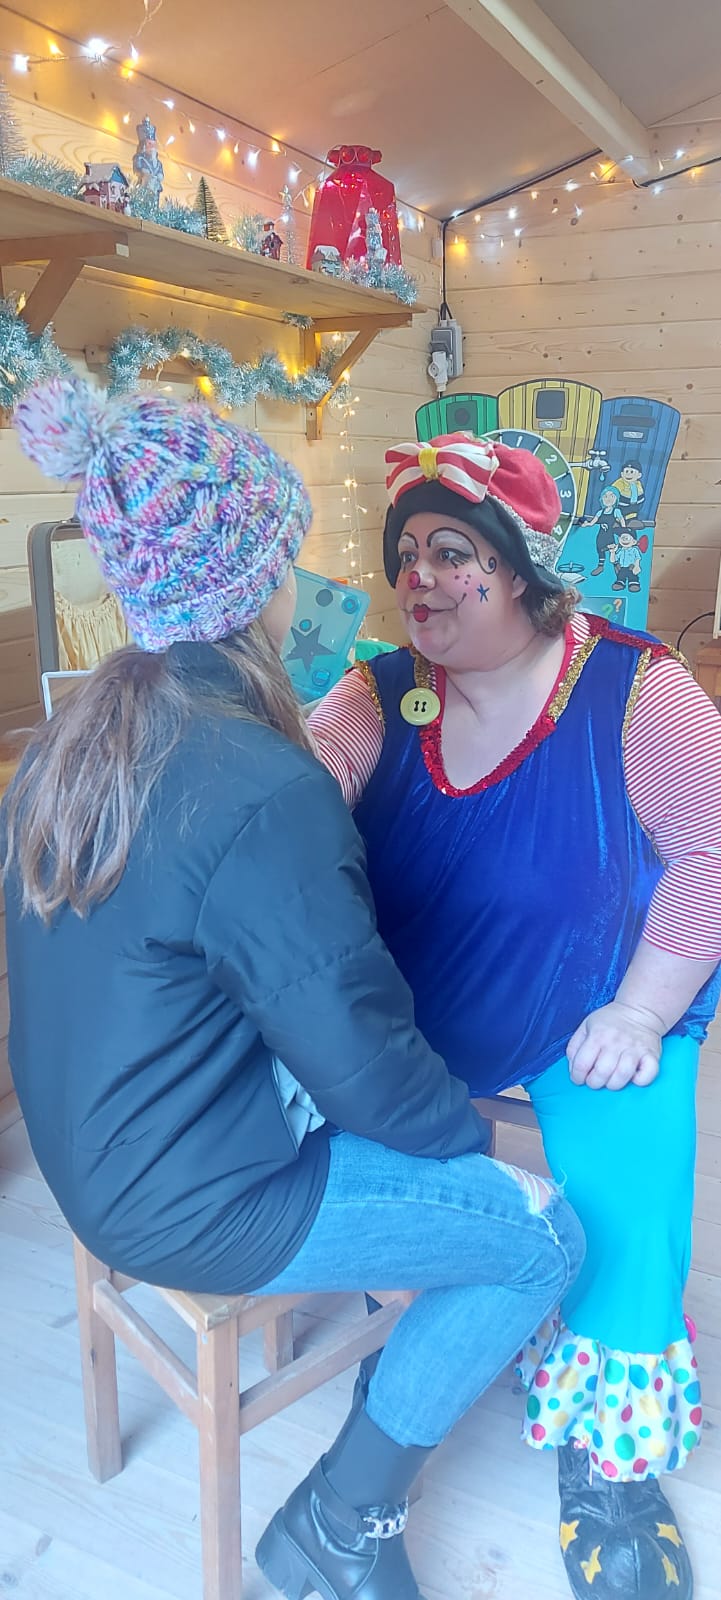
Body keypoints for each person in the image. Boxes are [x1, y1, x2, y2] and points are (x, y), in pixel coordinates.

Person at [1, 382, 584, 1600]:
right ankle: (343, 1515)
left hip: (84, 1156)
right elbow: (362, 1058)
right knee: (540, 1236)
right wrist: (471, 1154)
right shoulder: (260, 784)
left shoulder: (71, 738)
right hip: (193, 1199)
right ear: (257, 578)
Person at [310, 430, 721, 1600]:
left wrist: (640, 1008)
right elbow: (303, 788)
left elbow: (711, 849)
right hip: (412, 1012)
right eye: (407, 555)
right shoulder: (378, 689)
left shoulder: (640, 687)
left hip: (585, 1000)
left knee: (637, 1169)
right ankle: (403, 1381)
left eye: (453, 552)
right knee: (370, 1166)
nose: (419, 578)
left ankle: (608, 1460)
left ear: (524, 569)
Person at [583, 485, 626, 576]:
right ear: (602, 499)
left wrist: (624, 530)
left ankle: (617, 566)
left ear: (616, 498)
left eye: (611, 496)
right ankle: (600, 566)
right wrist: (587, 524)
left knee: (612, 550)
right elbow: (593, 522)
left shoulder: (616, 511)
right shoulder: (600, 512)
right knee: (600, 550)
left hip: (610, 535)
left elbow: (621, 520)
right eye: (605, 496)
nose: (608, 499)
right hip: (601, 535)